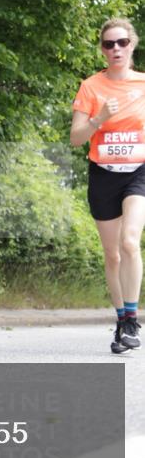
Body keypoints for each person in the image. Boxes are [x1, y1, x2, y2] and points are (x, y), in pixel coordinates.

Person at [70, 18, 145, 354]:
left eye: (121, 43)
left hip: (138, 172)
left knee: (131, 242)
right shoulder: (90, 87)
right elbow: (76, 138)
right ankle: (121, 321)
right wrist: (99, 118)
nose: (115, 49)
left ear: (132, 44)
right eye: (108, 44)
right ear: (102, 49)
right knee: (112, 254)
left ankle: (131, 319)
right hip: (103, 175)